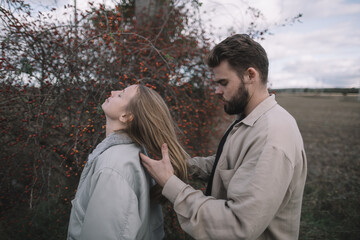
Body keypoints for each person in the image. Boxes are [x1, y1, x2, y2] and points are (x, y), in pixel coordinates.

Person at [141, 34, 307, 240]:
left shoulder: (271, 137)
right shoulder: (248, 120)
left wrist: (170, 184)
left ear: (250, 75)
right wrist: (184, 165)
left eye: (223, 82)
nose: (216, 91)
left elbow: (237, 226)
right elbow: (229, 165)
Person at [67, 84, 189, 240]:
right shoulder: (133, 153)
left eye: (120, 95)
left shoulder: (113, 167)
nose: (112, 92)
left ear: (126, 116)